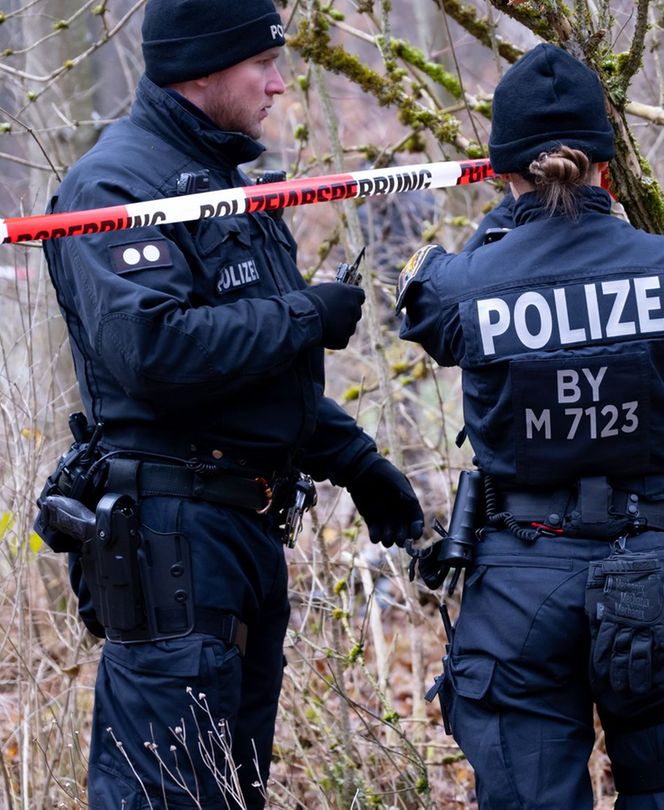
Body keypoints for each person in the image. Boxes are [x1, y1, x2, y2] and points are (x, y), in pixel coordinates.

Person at [37, 0, 424, 806]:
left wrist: (359, 465)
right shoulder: (114, 185)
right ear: (202, 69)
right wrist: (305, 313)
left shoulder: (219, 182)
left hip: (242, 537)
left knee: (232, 790)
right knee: (166, 792)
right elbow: (155, 353)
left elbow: (260, 376)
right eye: (263, 65)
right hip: (173, 543)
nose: (280, 85)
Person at [396, 44, 664, 809]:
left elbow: (418, 300)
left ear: (502, 172)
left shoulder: (470, 283)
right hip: (652, 562)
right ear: (606, 167)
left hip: (520, 580)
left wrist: (506, 223)